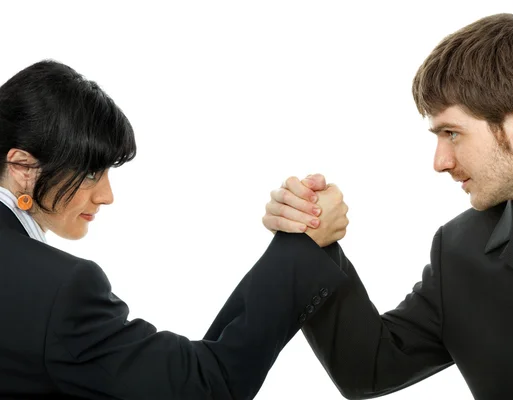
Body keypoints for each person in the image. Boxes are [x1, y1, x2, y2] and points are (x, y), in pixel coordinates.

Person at [263, 13, 513, 399]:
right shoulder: (459, 249)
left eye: (452, 133)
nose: (439, 162)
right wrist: (312, 242)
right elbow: (368, 368)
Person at [0, 60, 350, 399]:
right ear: (22, 166)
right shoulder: (59, 290)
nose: (107, 196)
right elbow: (204, 387)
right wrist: (298, 250)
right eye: (92, 172)